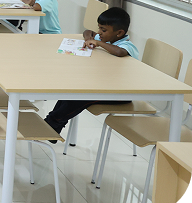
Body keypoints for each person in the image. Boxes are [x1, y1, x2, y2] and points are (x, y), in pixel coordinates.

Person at [43, 7, 138, 139]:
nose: (99, 32)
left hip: (121, 93)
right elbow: (87, 32)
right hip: (105, 86)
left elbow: (119, 52)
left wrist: (98, 42)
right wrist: (89, 38)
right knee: (71, 90)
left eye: (103, 30)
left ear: (119, 33)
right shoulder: (106, 38)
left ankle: (52, 123)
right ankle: (53, 125)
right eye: (99, 28)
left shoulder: (127, 45)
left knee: (81, 97)